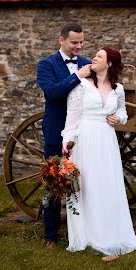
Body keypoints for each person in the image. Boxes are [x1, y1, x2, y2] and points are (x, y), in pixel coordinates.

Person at [61, 47, 136, 260]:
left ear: (110, 64)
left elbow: (122, 112)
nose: (94, 58)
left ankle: (111, 234)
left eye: (99, 56)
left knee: (107, 184)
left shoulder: (119, 89)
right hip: (85, 138)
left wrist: (119, 119)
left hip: (106, 140)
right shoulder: (81, 86)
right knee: (88, 185)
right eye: (95, 55)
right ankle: (87, 236)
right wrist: (67, 142)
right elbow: (72, 117)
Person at [36, 22, 92, 248]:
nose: (79, 46)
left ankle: (83, 231)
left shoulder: (89, 63)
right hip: (56, 129)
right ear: (61, 40)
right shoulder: (46, 65)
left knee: (86, 179)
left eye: (81, 42)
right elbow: (53, 93)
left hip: (84, 131)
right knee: (54, 180)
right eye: (74, 42)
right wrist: (77, 76)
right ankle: (51, 235)